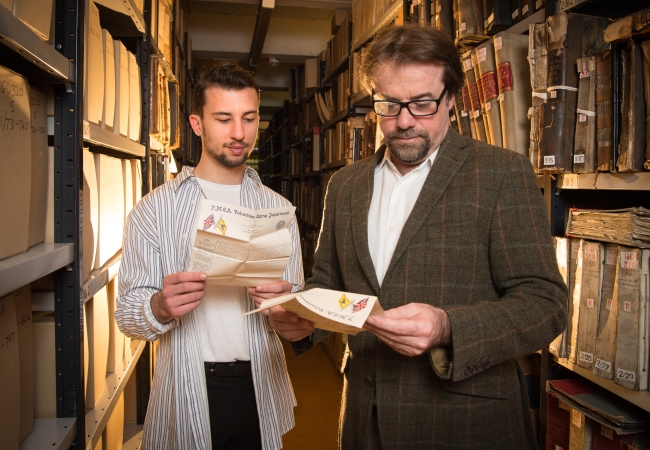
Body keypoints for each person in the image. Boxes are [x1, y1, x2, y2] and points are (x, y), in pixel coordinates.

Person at [259, 25, 567, 449]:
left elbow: (546, 305)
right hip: (365, 419)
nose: (404, 121)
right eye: (388, 104)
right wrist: (302, 318)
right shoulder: (345, 186)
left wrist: (447, 326)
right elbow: (328, 283)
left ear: (452, 100)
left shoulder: (502, 173)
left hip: (467, 424)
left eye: (422, 104)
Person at [116, 60, 305, 450]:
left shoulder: (278, 211)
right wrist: (160, 305)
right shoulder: (154, 210)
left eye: (248, 118)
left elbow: (298, 306)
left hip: (261, 388)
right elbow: (127, 315)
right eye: (223, 119)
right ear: (197, 124)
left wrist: (292, 313)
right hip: (186, 389)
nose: (239, 133)